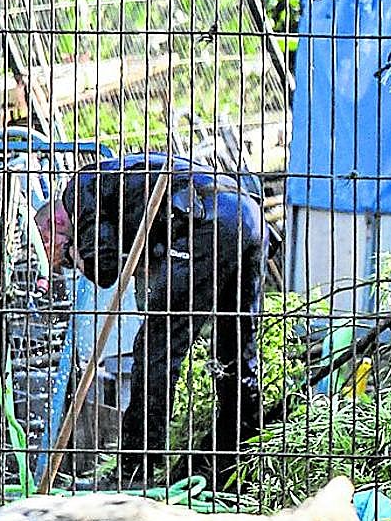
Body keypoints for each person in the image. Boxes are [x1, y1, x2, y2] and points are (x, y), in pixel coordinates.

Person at [36, 153, 267, 485]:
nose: (58, 265)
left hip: (206, 221)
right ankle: (237, 462)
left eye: (53, 253)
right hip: (248, 217)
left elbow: (103, 270)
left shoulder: (79, 190)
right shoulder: (112, 185)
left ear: (54, 229)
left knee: (155, 348)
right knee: (236, 350)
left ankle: (134, 470)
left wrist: (77, 256)